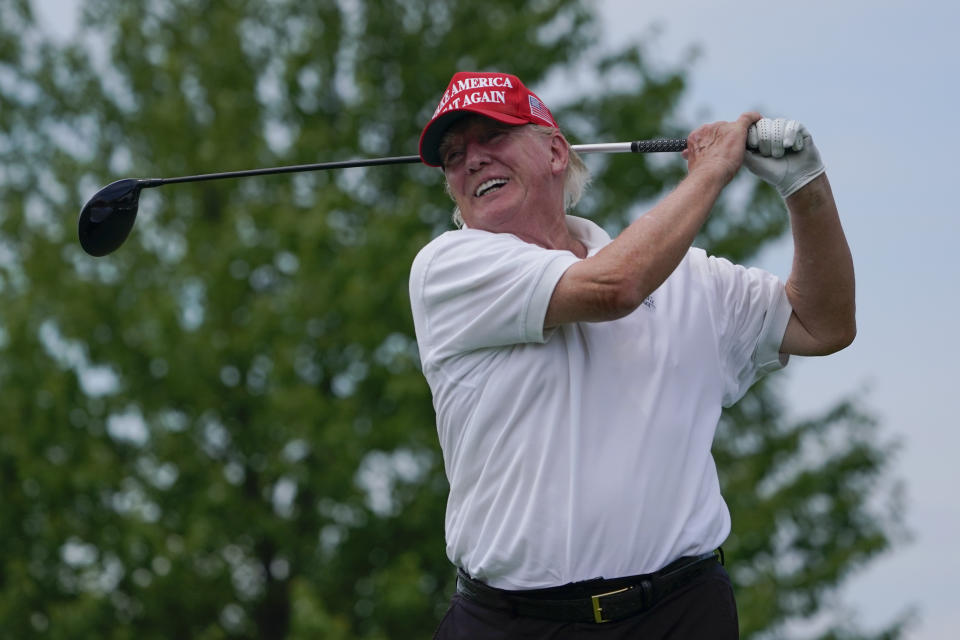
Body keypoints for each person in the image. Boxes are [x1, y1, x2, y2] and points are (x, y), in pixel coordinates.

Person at [408, 71, 855, 639]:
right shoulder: (448, 268)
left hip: (682, 612)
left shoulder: (688, 277)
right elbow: (612, 288)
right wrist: (713, 171)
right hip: (514, 623)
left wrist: (804, 185)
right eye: (452, 155)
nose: (470, 160)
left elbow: (825, 324)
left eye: (491, 137)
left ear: (554, 151)